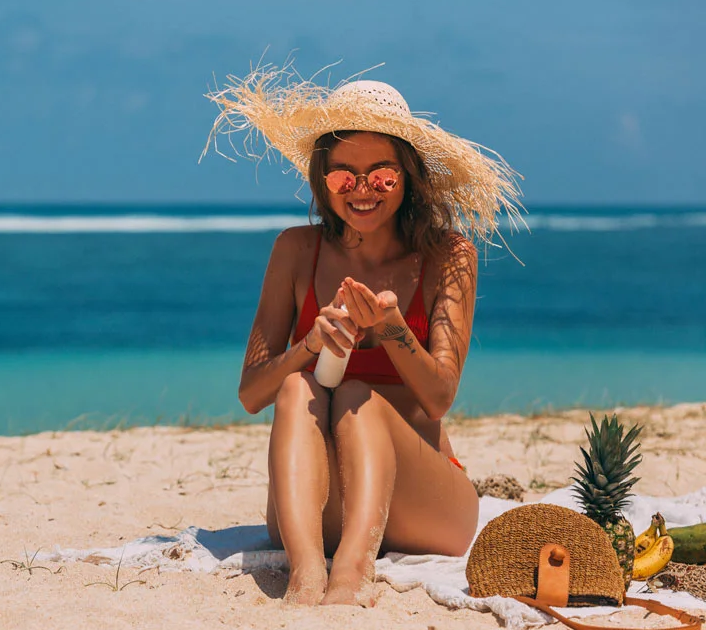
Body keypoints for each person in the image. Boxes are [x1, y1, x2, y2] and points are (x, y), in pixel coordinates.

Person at [204, 68, 523, 607]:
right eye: (343, 176)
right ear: (321, 180)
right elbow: (251, 394)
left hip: (428, 506)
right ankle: (306, 575)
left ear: (408, 177)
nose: (362, 190)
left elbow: (440, 396)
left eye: (381, 176)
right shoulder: (295, 251)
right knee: (295, 389)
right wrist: (308, 347)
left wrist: (393, 329)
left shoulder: (450, 256)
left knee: (357, 395)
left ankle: (351, 574)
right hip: (314, 509)